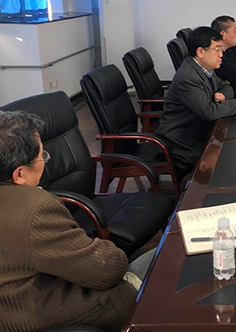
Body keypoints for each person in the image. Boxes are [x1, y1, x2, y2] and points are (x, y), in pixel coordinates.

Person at [0, 111, 137, 331]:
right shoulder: (35, 209)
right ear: (20, 174)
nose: (45, 161)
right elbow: (106, 270)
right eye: (42, 156)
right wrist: (110, 252)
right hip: (29, 313)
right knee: (155, 277)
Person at [157, 27, 236, 176]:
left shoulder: (204, 68)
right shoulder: (189, 77)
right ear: (200, 52)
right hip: (182, 142)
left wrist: (222, 95)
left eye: (221, 49)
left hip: (199, 131)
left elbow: (226, 86)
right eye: (217, 49)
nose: (221, 54)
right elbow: (209, 111)